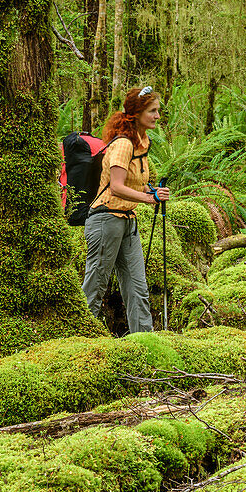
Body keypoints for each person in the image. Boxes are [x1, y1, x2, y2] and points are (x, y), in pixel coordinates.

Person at [82, 86, 171, 333]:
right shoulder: (122, 144)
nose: (157, 116)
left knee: (137, 287)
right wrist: (149, 199)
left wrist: (152, 192)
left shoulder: (142, 144)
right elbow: (117, 187)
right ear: (137, 113)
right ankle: (81, 337)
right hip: (105, 219)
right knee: (96, 285)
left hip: (127, 222)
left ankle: (144, 342)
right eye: (152, 111)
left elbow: (136, 184)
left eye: (157, 111)